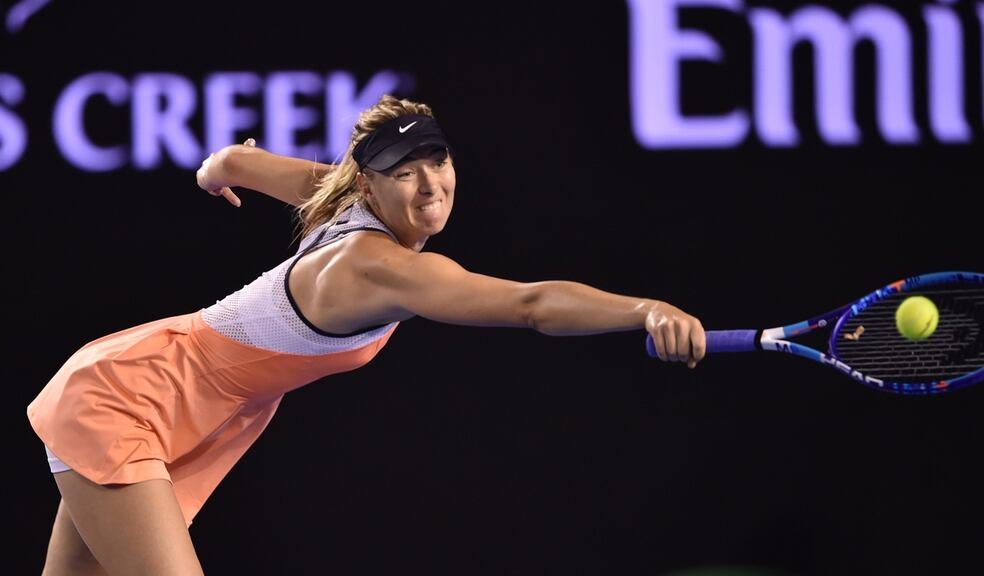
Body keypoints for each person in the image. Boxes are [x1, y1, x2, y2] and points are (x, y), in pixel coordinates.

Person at [27, 94, 705, 575]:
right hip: (129, 399)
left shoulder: (339, 198)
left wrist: (216, 172)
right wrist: (644, 309)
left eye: (435, 162)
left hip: (171, 403)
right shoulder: (377, 267)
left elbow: (233, 161)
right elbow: (529, 304)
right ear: (370, 186)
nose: (428, 183)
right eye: (404, 172)